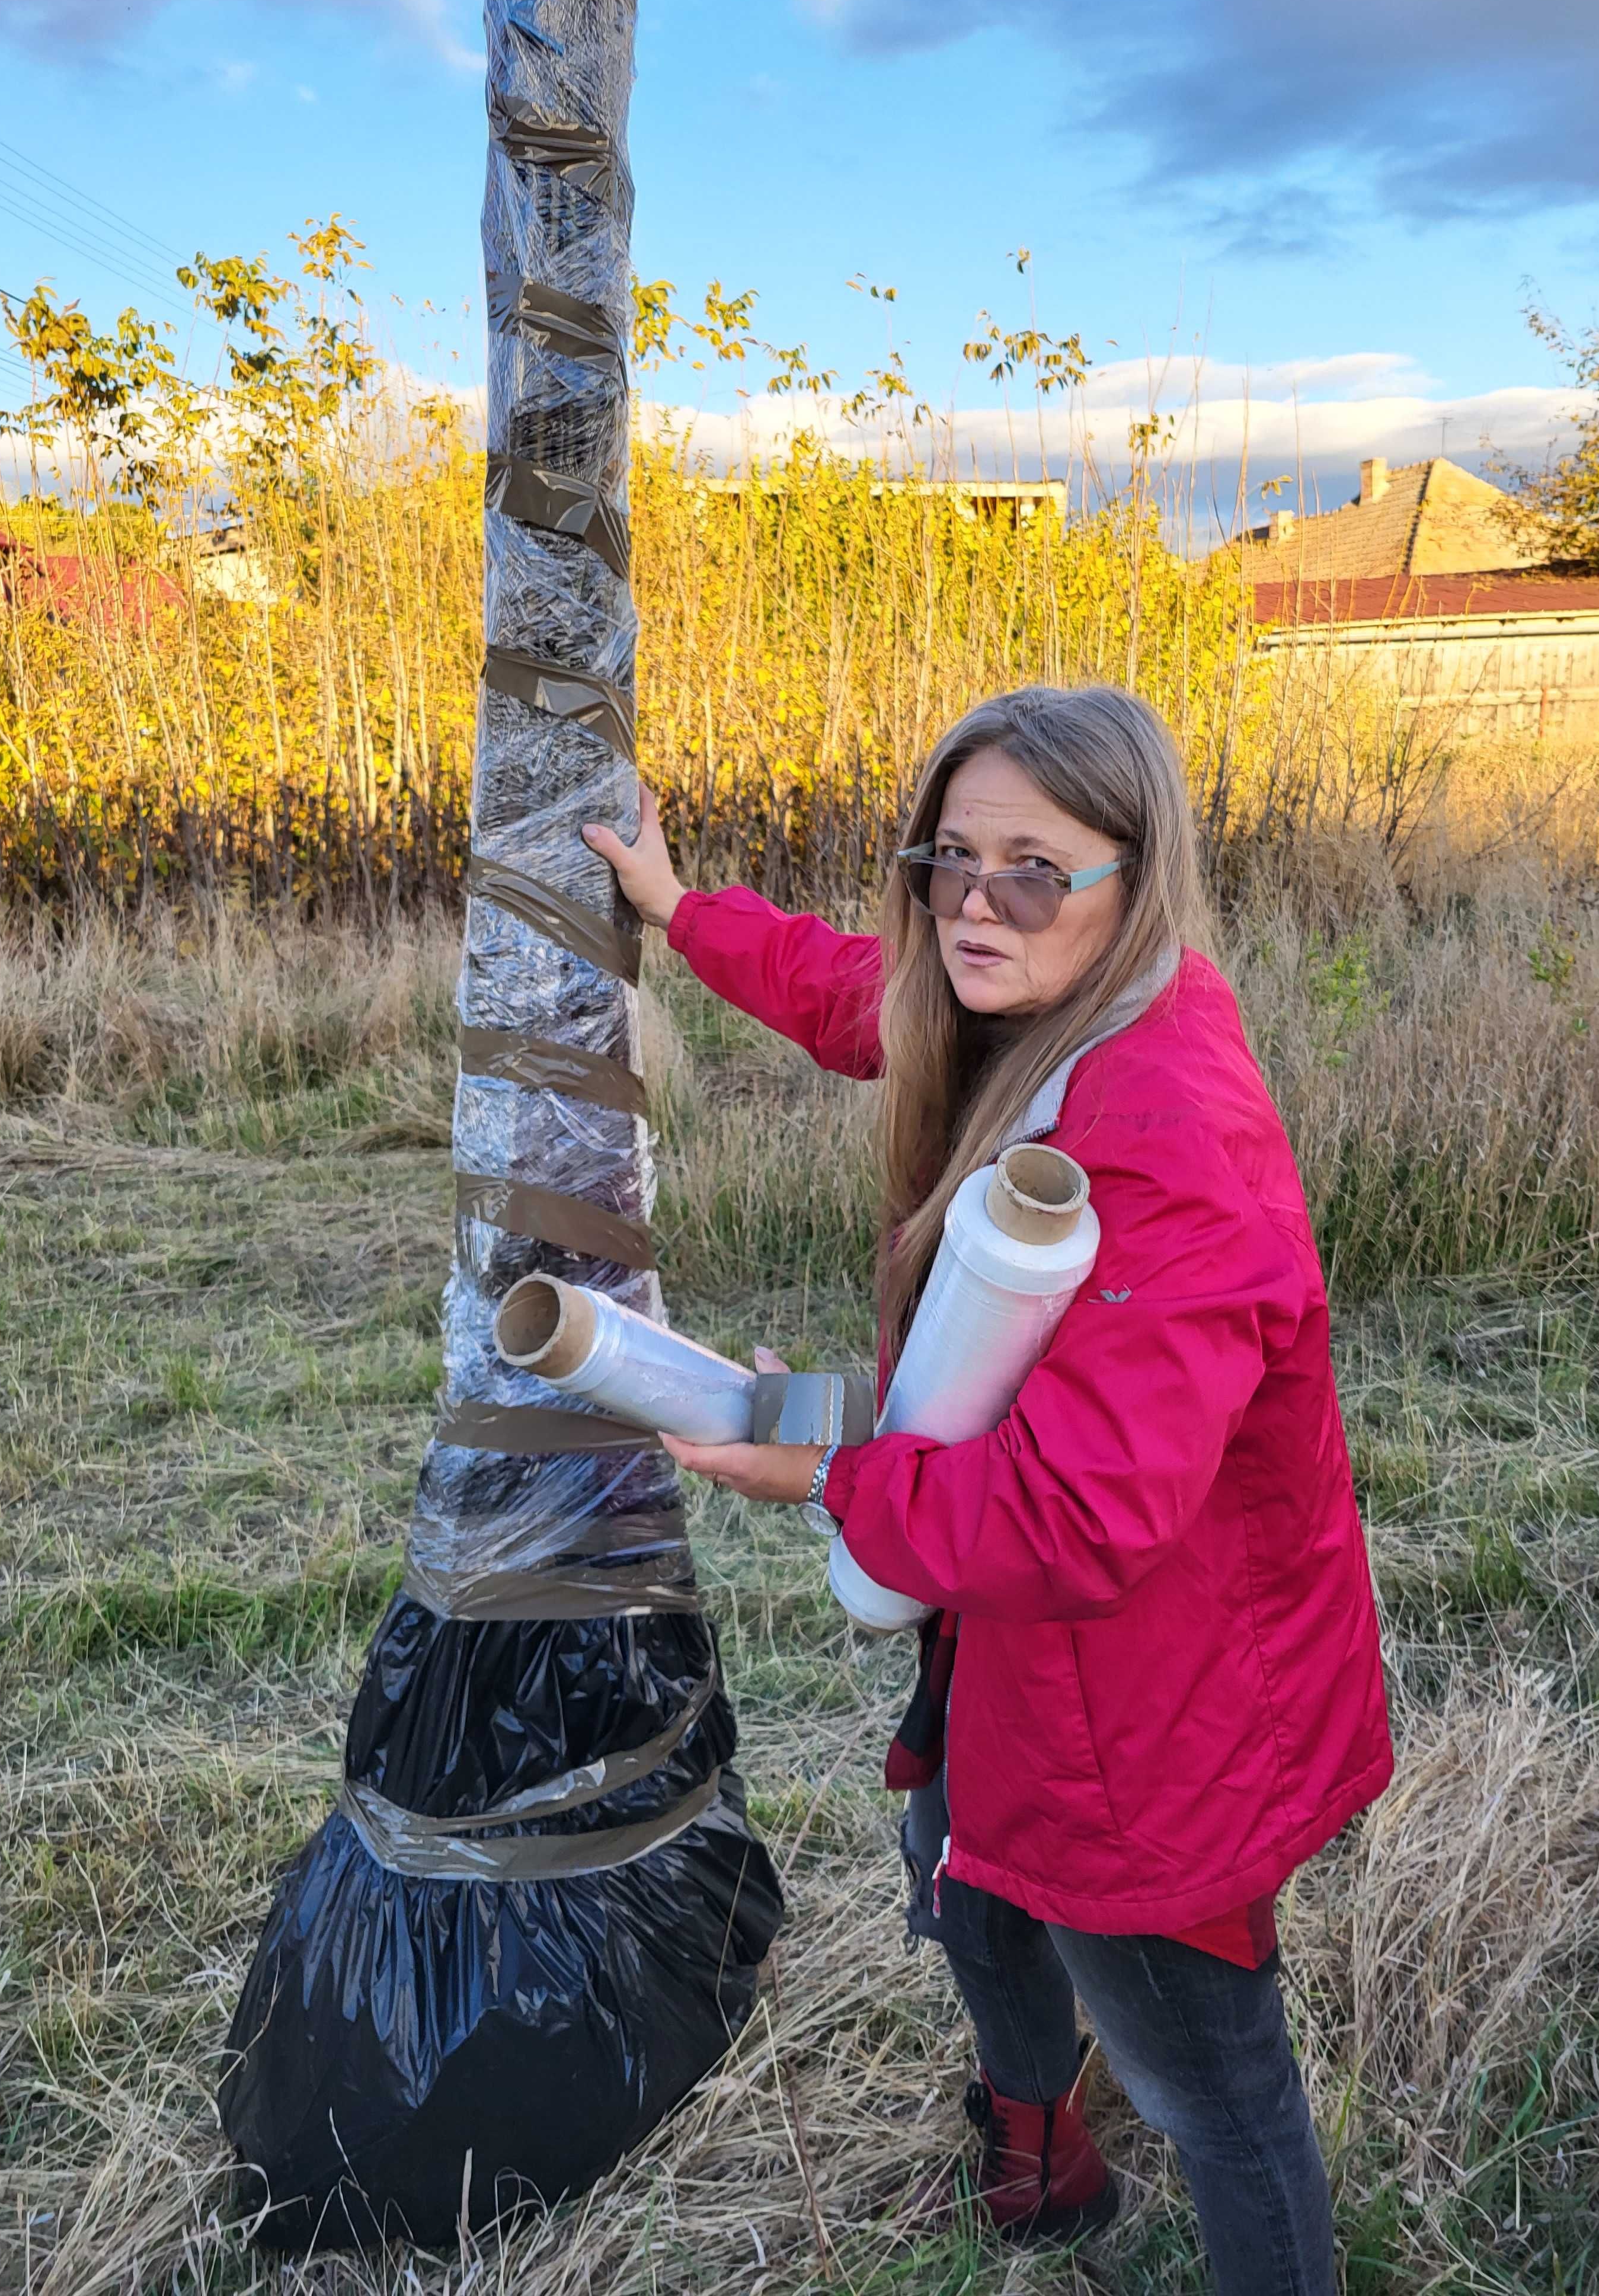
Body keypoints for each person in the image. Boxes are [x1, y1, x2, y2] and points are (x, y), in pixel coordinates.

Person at [584, 683, 1392, 2296]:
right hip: (1023, 1650)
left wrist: (826, 1468)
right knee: (962, 1874)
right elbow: (858, 994)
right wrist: (681, 912)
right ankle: (1041, 2148)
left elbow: (1084, 1515)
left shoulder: (1170, 1127)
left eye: (1035, 866)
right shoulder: (1034, 1012)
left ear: (1134, 875)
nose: (975, 903)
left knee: (1216, 2086)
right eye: (951, 858)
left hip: (1158, 1717)